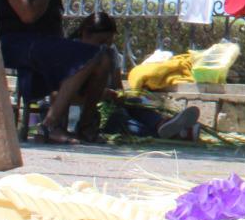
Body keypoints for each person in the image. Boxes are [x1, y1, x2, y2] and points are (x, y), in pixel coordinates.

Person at [0, 0, 113, 144]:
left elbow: (53, 27)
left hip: (45, 45)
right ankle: (49, 126)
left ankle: (86, 126)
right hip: (16, 44)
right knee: (88, 57)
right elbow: (29, 15)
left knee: (103, 58)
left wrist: (67, 49)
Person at [69, 11, 200, 142]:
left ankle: (162, 124)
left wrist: (118, 95)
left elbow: (118, 88)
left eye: (108, 43)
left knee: (135, 102)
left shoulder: (110, 54)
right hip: (81, 115)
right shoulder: (72, 53)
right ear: (85, 34)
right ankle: (176, 133)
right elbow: (65, 96)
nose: (104, 47)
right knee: (127, 125)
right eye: (101, 42)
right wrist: (99, 94)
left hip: (108, 108)